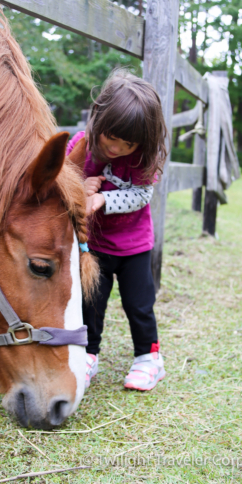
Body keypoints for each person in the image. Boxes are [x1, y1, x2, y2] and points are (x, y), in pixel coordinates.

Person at [66, 69, 168, 391]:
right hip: (93, 246)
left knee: (139, 304)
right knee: (91, 302)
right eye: (111, 137)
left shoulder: (141, 158)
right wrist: (81, 186)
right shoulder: (81, 147)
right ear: (99, 119)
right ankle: (87, 354)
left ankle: (149, 359)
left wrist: (102, 199)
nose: (117, 148)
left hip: (134, 247)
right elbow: (62, 182)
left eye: (128, 143)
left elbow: (141, 195)